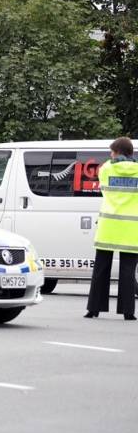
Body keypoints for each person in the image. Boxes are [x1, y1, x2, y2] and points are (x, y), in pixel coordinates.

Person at [86, 136, 138, 320]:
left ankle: (94, 309)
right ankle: (128, 312)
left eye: (112, 151)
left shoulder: (106, 169)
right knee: (127, 271)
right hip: (132, 229)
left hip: (109, 226)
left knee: (101, 268)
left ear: (116, 153)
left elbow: (103, 187)